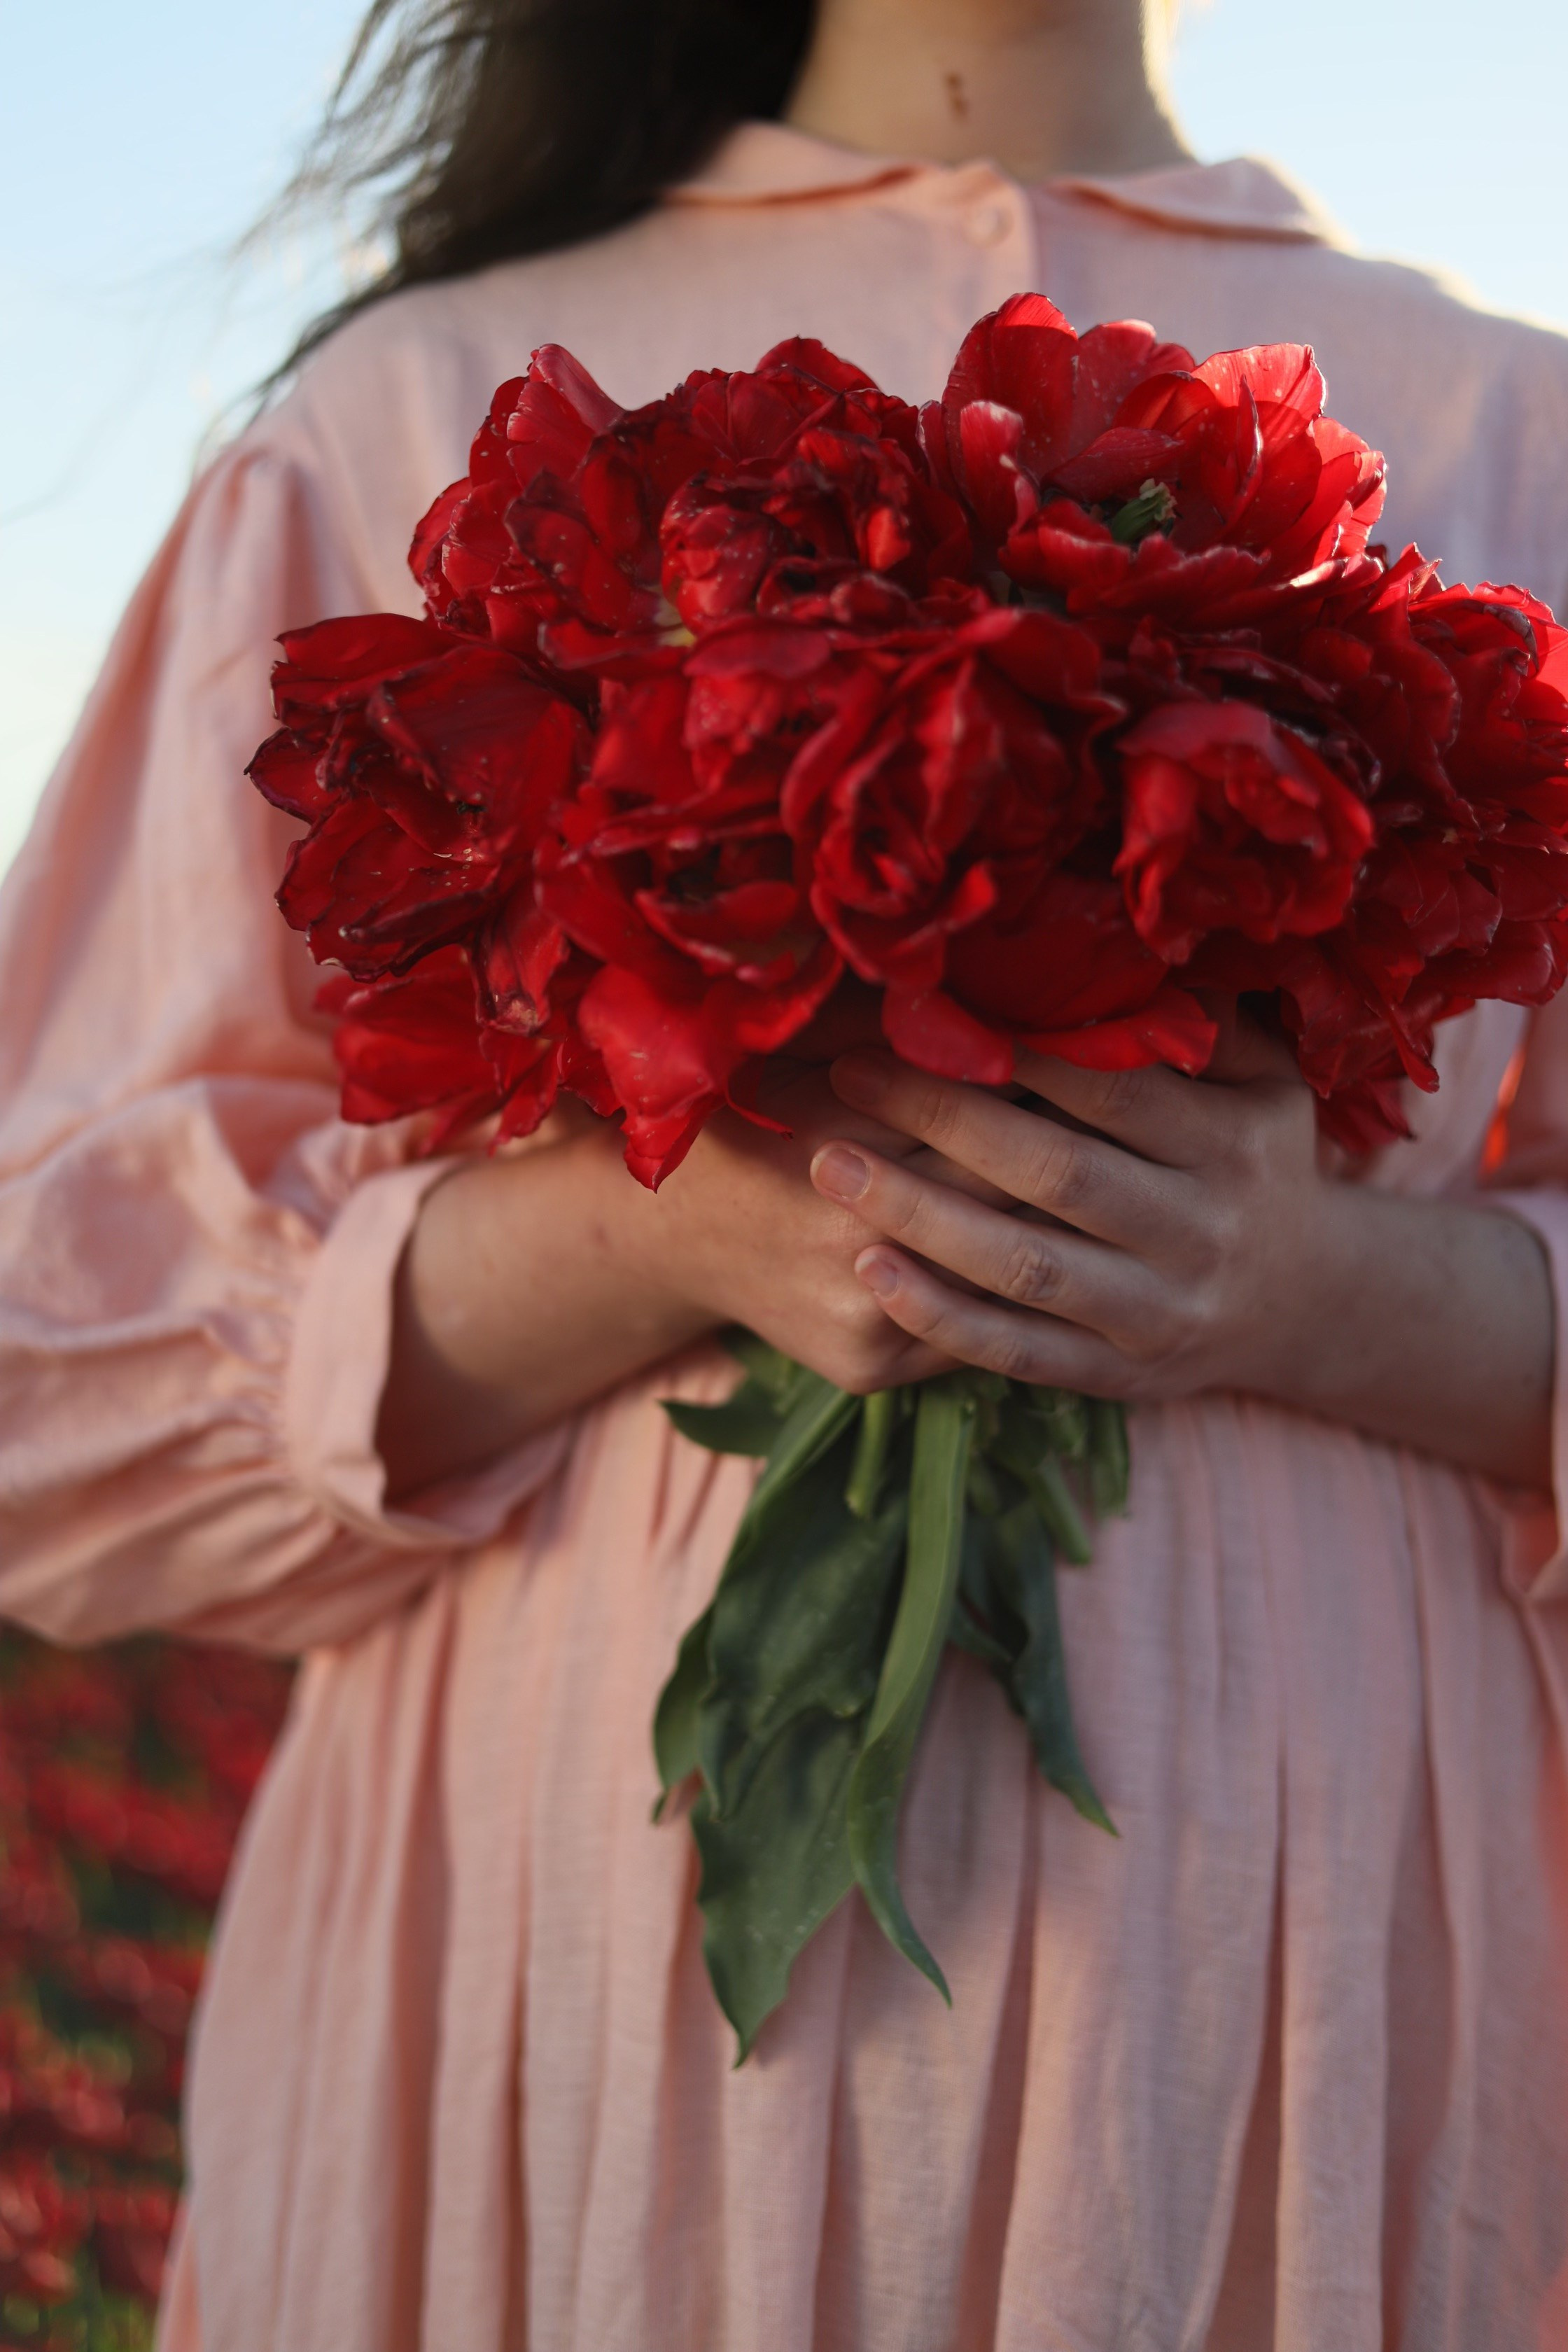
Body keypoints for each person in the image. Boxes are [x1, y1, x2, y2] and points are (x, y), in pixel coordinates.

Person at [4, 1, 1568, 2344]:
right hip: (556, 1984)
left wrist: (1319, 1292)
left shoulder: (1518, 425)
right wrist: (652, 1227)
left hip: (1306, 1986)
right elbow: (48, 1374)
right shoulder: (406, 415)